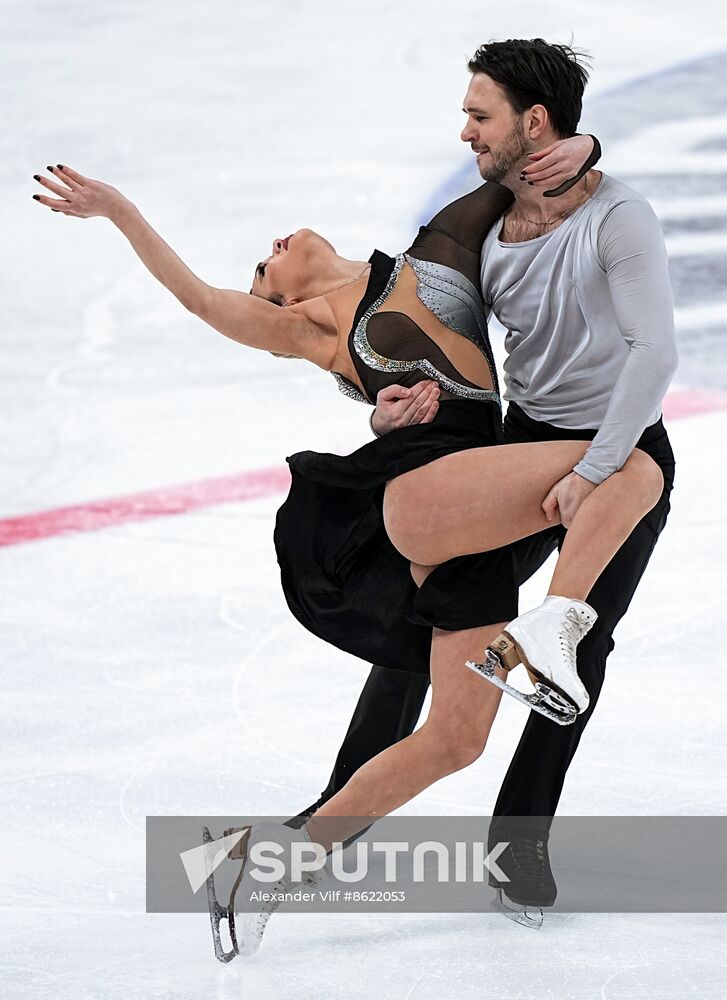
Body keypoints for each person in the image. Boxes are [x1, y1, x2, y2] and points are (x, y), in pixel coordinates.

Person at [31, 80, 667, 954]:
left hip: (481, 511)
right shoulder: (314, 331)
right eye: (263, 271)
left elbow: (512, 170)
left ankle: (265, 873)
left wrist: (586, 150)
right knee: (633, 466)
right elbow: (201, 300)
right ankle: (551, 633)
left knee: (454, 740)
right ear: (282, 303)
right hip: (417, 500)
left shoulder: (431, 254)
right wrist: (120, 210)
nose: (269, 253)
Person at [293, 38, 678, 926]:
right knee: (427, 617)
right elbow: (407, 333)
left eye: (480, 115)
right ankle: (333, 818)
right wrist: (382, 411)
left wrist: (593, 467)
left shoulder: (621, 220)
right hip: (518, 445)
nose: (464, 131)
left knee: (574, 651)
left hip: (619, 447)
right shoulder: (478, 224)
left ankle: (516, 852)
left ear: (532, 122)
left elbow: (653, 352)